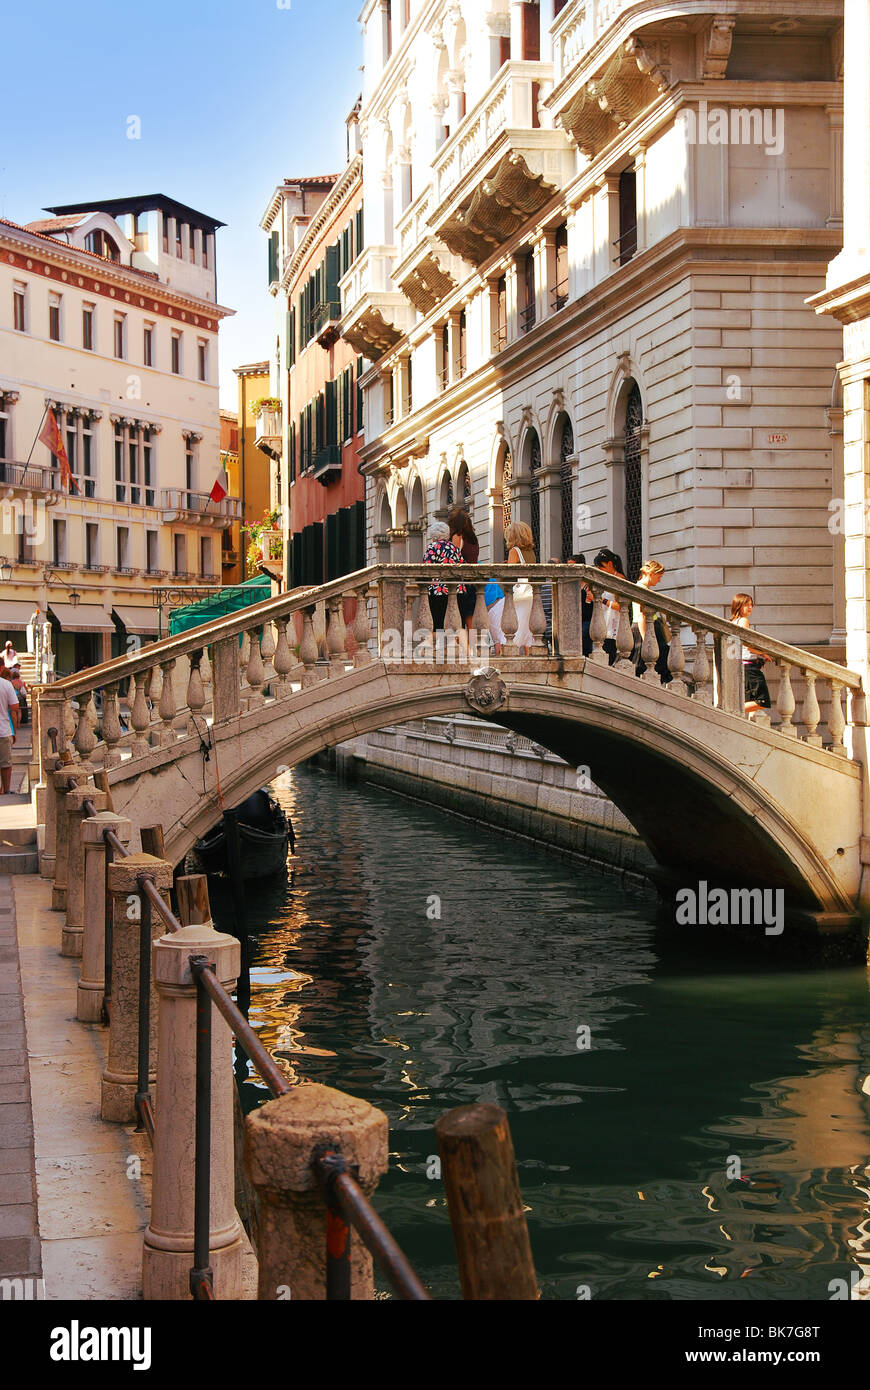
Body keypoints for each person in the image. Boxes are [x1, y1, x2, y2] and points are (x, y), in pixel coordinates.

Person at [631, 560, 671, 682]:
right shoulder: (641, 589)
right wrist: (646, 640)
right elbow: (641, 616)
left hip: (649, 628)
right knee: (647, 663)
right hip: (645, 629)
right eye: (659, 577)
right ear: (651, 574)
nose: (659, 580)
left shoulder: (643, 588)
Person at [732, 592, 771, 713]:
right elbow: (746, 644)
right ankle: (733, 710)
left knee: (748, 700)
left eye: (751, 605)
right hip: (749, 668)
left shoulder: (733, 622)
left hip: (742, 667)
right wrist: (762, 653)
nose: (750, 607)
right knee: (762, 701)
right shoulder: (743, 620)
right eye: (746, 604)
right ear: (738, 605)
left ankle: (734, 710)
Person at [423, 520, 464, 630]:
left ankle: (441, 642)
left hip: (438, 591)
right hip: (457, 589)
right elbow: (462, 565)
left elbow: (427, 568)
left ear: (433, 535)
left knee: (438, 625)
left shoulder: (432, 547)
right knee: (456, 625)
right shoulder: (454, 548)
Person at [505, 521, 536, 653]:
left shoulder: (514, 551)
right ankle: (529, 656)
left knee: (514, 627)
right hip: (530, 593)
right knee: (526, 628)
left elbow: (509, 574)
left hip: (519, 595)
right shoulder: (531, 552)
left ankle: (510, 655)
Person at [448, 508, 479, 632]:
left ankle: (463, 645)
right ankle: (472, 644)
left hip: (462, 583)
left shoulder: (457, 537)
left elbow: (453, 559)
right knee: (470, 620)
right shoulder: (473, 539)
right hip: (473, 582)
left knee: (458, 621)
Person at [593, 548, 625, 664]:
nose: (600, 570)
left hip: (613, 624)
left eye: (601, 567)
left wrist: (602, 600)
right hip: (603, 621)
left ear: (610, 564)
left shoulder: (619, 579)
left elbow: (621, 606)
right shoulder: (604, 579)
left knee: (609, 657)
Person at [567, 553, 594, 655]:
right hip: (573, 620)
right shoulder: (569, 583)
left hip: (587, 620)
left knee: (583, 642)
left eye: (572, 566)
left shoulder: (588, 583)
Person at [0, 668, 20, 795]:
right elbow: (14, 707)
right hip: (3, 729)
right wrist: (15, 731)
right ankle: (6, 789)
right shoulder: (6, 684)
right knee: (5, 763)